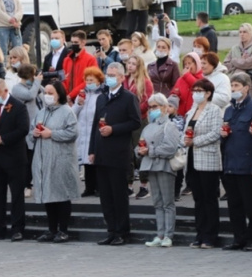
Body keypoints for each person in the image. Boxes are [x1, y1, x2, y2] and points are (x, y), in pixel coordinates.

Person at [89, 62, 142, 246]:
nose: (109, 78)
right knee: (105, 196)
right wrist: (92, 150)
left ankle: (122, 232)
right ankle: (111, 230)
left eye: (113, 75)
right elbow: (95, 125)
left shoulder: (128, 98)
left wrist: (114, 129)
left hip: (118, 153)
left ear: (121, 77)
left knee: (119, 195)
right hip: (101, 152)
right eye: (108, 74)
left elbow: (135, 122)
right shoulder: (101, 98)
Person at [31, 81, 80, 243]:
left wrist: (52, 133)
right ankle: (52, 229)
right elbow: (31, 130)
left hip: (61, 159)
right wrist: (35, 133)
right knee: (48, 194)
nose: (47, 96)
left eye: (51, 93)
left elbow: (73, 133)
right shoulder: (41, 112)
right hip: (43, 159)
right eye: (46, 93)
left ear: (59, 94)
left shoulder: (67, 112)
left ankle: (63, 230)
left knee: (61, 194)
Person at [0, 79, 31, 241]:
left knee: (16, 195)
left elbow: (23, 129)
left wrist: (2, 139)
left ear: (5, 91)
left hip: (14, 158)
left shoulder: (18, 106)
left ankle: (17, 229)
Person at [220, 74, 252, 251]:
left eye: (236, 85)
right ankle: (239, 237)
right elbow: (225, 137)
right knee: (234, 205)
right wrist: (223, 136)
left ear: (246, 88)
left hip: (246, 164)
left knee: (251, 205)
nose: (233, 89)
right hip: (231, 164)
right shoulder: (229, 110)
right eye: (232, 86)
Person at [183, 78, 223, 248]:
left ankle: (210, 236)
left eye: (199, 91)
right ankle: (200, 234)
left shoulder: (214, 110)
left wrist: (196, 141)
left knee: (209, 198)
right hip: (192, 158)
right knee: (198, 199)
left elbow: (216, 133)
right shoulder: (192, 110)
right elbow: (185, 131)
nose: (196, 94)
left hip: (208, 159)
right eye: (194, 91)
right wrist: (185, 140)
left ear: (208, 93)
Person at [138, 93, 182, 247]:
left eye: (155, 106)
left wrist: (150, 151)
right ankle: (160, 234)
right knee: (157, 202)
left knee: (167, 202)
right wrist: (140, 150)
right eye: (150, 107)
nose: (152, 110)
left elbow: (170, 148)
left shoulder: (170, 126)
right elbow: (140, 144)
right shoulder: (148, 126)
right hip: (151, 166)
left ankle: (168, 235)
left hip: (164, 166)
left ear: (164, 107)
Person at [12, 63, 43, 198]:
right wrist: (37, 82)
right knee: (27, 159)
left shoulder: (35, 86)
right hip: (26, 128)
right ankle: (26, 185)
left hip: (39, 126)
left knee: (38, 158)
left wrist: (38, 83)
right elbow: (30, 95)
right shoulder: (17, 88)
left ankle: (39, 184)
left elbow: (44, 92)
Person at [73, 67, 105, 197]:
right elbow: (73, 113)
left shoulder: (101, 95)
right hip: (83, 130)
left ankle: (99, 187)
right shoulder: (82, 94)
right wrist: (79, 104)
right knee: (86, 161)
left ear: (98, 81)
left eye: (92, 80)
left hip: (94, 130)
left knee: (95, 159)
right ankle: (89, 187)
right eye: (87, 80)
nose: (89, 82)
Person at [62, 30, 99, 99]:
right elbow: (64, 79)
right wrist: (66, 96)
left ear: (83, 42)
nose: (73, 44)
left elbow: (89, 81)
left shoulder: (91, 60)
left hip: (82, 97)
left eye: (76, 42)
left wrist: (70, 95)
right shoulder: (67, 60)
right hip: (67, 97)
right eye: (72, 42)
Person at [171, 52, 203, 117]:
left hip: (195, 114)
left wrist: (187, 76)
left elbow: (197, 86)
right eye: (185, 64)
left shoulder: (202, 77)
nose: (187, 66)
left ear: (197, 64)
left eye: (189, 63)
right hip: (181, 114)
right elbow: (174, 92)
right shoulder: (181, 79)